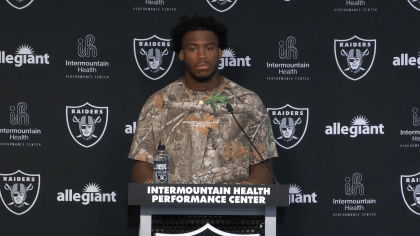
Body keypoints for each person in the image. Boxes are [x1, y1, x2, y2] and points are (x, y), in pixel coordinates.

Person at [129, 15, 278, 184]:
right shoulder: (159, 102)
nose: (201, 55)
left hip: (233, 208)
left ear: (220, 52)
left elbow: (263, 168)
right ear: (182, 54)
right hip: (171, 208)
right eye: (193, 49)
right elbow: (142, 166)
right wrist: (154, 195)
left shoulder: (249, 102)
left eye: (209, 48)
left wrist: (245, 195)